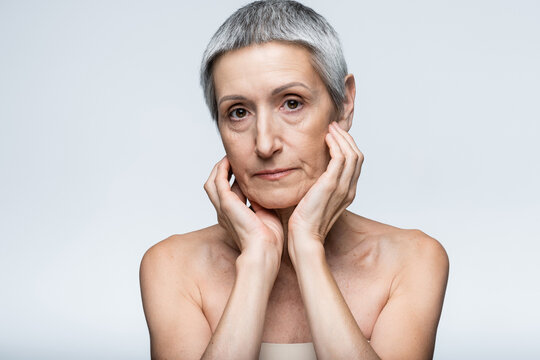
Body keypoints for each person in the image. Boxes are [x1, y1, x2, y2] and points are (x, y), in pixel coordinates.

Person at [139, 1, 449, 359]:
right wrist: (255, 261)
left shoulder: (413, 260)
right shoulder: (172, 266)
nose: (265, 143)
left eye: (292, 103)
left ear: (344, 103)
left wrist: (308, 247)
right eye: (238, 112)